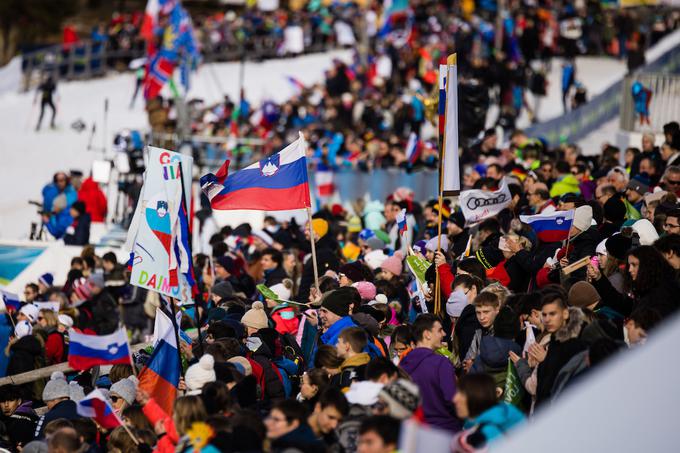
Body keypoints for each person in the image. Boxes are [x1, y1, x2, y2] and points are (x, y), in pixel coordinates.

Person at [400, 314, 461, 432]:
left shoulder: (403, 364)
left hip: (413, 431)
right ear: (427, 334)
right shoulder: (441, 363)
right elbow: (451, 398)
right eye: (439, 330)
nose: (444, 334)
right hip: (443, 430)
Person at [452, 373, 525, 450]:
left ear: (476, 396)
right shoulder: (505, 415)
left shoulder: (488, 435)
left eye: (461, 394)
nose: (454, 399)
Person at [34, 372, 81, 438]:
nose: (48, 407)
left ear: (53, 399)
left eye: (47, 402)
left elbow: (38, 443)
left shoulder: (47, 418)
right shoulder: (84, 411)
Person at [0, 384, 38, 449]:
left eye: (11, 400)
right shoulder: (29, 411)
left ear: (19, 401)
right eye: (3, 401)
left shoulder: (17, 423)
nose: (6, 405)